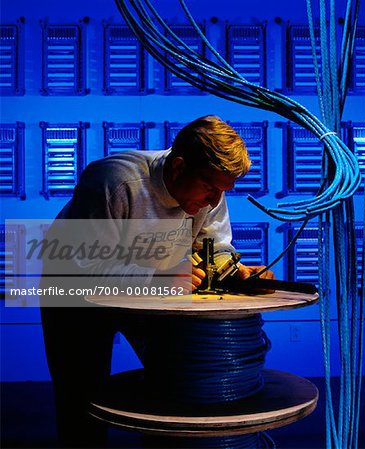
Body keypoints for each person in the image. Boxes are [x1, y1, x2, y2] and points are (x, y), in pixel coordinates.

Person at [39, 115, 275, 447]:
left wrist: (235, 270)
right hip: (73, 293)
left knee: (179, 377)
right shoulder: (114, 182)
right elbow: (84, 270)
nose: (212, 202)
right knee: (81, 397)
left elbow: (216, 247)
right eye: (209, 188)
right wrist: (159, 280)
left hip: (149, 286)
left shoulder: (212, 193)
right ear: (179, 167)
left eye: (221, 193)